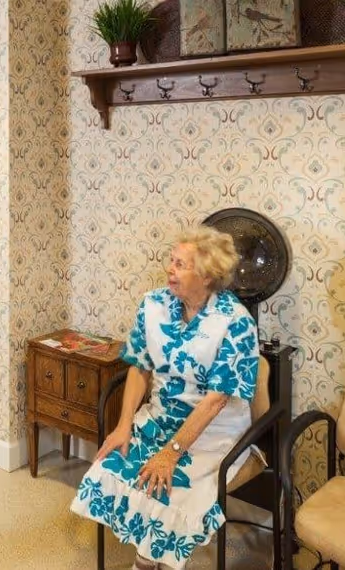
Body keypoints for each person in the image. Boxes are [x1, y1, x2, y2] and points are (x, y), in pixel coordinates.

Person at [70, 226, 260, 570]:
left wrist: (171, 454)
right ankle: (148, 556)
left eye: (180, 264)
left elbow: (216, 401)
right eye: (170, 261)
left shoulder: (235, 322)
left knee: (172, 492)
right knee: (108, 468)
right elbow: (139, 367)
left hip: (213, 434)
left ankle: (148, 560)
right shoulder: (153, 304)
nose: (169, 269)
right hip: (158, 418)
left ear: (207, 276)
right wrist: (123, 424)